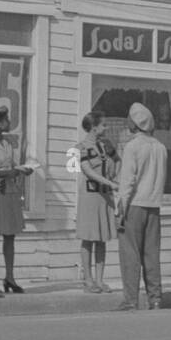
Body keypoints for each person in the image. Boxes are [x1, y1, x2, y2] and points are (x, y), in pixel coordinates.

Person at [114, 101, 166, 311]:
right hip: (154, 205)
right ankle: (155, 298)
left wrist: (120, 209)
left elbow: (127, 182)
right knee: (151, 254)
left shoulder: (132, 147)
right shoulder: (160, 147)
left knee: (130, 254)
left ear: (134, 123)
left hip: (134, 205)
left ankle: (131, 299)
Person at [0, 98, 32, 294]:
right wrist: (3, 173)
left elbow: (10, 166)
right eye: (7, 119)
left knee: (10, 237)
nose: (9, 122)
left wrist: (20, 170)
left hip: (10, 193)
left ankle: (10, 278)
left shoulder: (7, 143)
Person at [76, 110, 117, 293]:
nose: (106, 128)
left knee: (102, 238)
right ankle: (88, 280)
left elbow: (118, 161)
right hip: (90, 197)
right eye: (103, 125)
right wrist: (109, 182)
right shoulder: (82, 147)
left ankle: (100, 280)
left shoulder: (106, 145)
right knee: (89, 237)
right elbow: (87, 170)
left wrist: (114, 174)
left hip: (105, 197)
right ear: (93, 128)